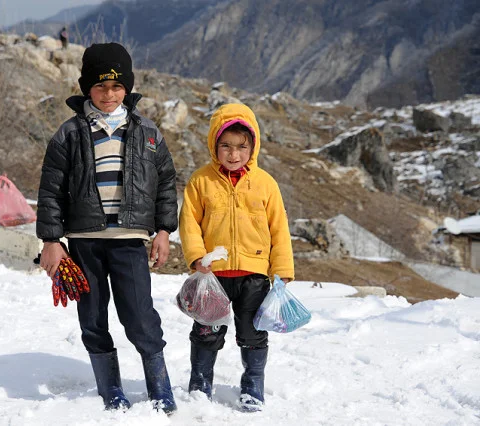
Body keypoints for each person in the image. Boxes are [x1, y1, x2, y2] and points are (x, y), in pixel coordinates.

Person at [36, 42, 178, 414]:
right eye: (100, 87)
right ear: (87, 88)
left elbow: (166, 183)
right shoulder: (69, 133)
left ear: (127, 88)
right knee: (92, 317)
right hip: (84, 243)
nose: (109, 94)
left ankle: (160, 387)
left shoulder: (148, 133)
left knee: (140, 317)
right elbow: (50, 189)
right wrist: (51, 240)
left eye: (117, 87)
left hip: (130, 240)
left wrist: (164, 231)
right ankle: (110, 388)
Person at [179, 103, 295, 412]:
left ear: (253, 146)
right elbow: (189, 224)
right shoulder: (200, 181)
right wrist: (195, 257)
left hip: (253, 274)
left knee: (252, 332)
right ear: (213, 146)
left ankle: (252, 385)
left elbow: (279, 229)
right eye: (226, 146)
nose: (234, 154)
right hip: (212, 275)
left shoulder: (265, 183)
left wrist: (282, 269)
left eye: (242, 146)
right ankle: (200, 384)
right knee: (206, 331)